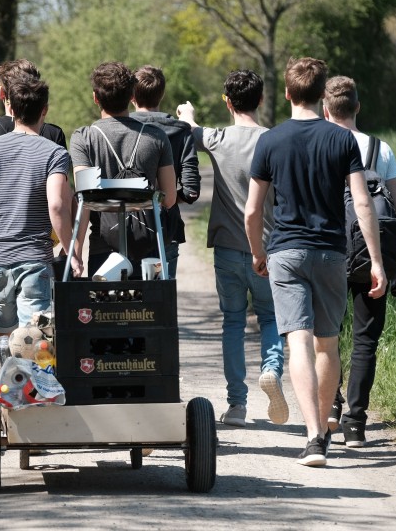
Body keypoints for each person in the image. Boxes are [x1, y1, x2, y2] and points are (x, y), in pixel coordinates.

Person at [245, 57, 387, 467]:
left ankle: (311, 437)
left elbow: (253, 212)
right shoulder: (343, 140)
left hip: (286, 252)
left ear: (287, 93)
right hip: (331, 253)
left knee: (298, 344)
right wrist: (376, 261)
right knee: (328, 343)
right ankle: (324, 429)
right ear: (323, 95)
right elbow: (362, 202)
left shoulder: (269, 141)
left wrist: (258, 252)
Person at [176, 70, 286, 428]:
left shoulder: (217, 139)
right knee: (270, 318)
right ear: (262, 99)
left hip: (226, 246)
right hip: (268, 247)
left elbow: (191, 130)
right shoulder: (274, 141)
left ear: (227, 101)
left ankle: (237, 405)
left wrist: (187, 115)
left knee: (233, 322)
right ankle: (271, 370)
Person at [0, 59, 71, 372]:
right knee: (36, 331)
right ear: (44, 110)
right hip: (34, 255)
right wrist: (71, 249)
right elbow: (57, 206)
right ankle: (37, 397)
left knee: (1, 334)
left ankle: (5, 396)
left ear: (10, 106)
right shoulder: (54, 151)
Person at [322, 75, 396, 448]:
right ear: (357, 107)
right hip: (371, 252)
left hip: (328, 250)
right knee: (365, 339)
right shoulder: (380, 149)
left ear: (326, 110)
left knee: (326, 335)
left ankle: (331, 406)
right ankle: (355, 424)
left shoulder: (321, 144)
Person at [70, 61, 177, 276]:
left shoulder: (84, 138)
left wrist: (76, 252)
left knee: (104, 308)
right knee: (148, 308)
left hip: (103, 246)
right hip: (148, 246)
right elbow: (169, 198)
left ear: (95, 98)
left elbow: (85, 201)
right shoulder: (156, 137)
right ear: (131, 97)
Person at [130, 65, 201, 280]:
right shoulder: (181, 131)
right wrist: (166, 198)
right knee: (162, 302)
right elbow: (191, 191)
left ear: (132, 95)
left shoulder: (122, 127)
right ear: (162, 94)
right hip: (166, 227)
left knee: (128, 303)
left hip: (127, 226)